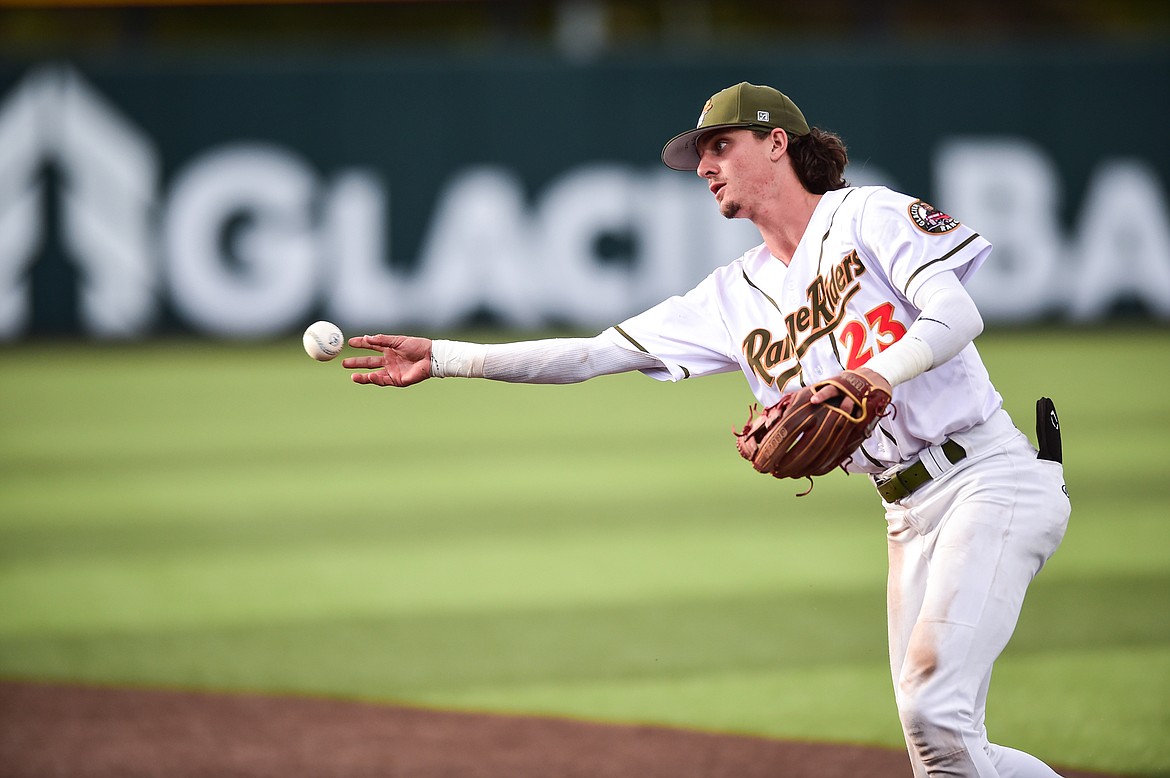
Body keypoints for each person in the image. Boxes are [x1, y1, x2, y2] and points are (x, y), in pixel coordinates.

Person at [341, 82, 1071, 777]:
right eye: (700, 157)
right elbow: (594, 354)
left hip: (988, 476)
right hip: (905, 513)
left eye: (719, 147)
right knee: (939, 750)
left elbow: (959, 315)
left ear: (777, 142)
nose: (705, 168)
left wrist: (874, 374)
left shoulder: (867, 215)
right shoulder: (732, 296)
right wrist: (444, 357)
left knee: (931, 709)